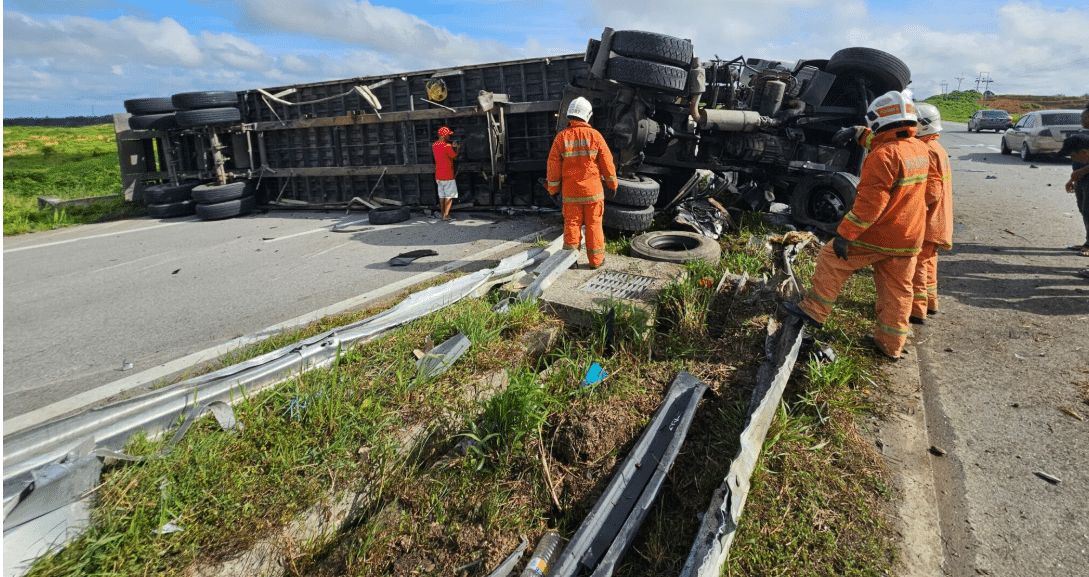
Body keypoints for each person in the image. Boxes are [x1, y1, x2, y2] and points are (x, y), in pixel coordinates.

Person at [783, 91, 931, 361]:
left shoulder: (881, 157)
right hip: (910, 236)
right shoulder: (920, 149)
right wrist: (856, 132)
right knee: (898, 290)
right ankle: (891, 346)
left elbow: (869, 206)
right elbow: (888, 140)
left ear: (880, 119)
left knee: (830, 258)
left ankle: (814, 311)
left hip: (882, 234)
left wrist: (844, 234)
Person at [545, 96, 618, 269]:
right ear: (588, 115)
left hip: (571, 194)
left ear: (570, 115)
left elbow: (553, 166)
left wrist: (553, 189)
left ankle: (570, 262)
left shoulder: (561, 138)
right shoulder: (595, 136)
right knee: (594, 225)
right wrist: (612, 184)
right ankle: (596, 261)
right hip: (593, 193)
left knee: (572, 225)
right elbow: (607, 163)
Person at [1058, 102, 1089, 254]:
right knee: (1084, 210)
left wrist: (1079, 172)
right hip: (1082, 180)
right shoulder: (1082, 136)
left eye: (1084, 116)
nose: (1082, 120)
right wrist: (1073, 179)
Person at [432, 126, 460, 221]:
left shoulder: (434, 145)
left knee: (442, 195)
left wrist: (451, 146)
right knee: (449, 195)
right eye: (448, 135)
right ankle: (446, 215)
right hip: (448, 174)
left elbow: (442, 151)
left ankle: (443, 213)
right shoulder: (447, 146)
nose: (449, 136)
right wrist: (457, 149)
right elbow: (455, 157)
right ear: (444, 135)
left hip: (438, 174)